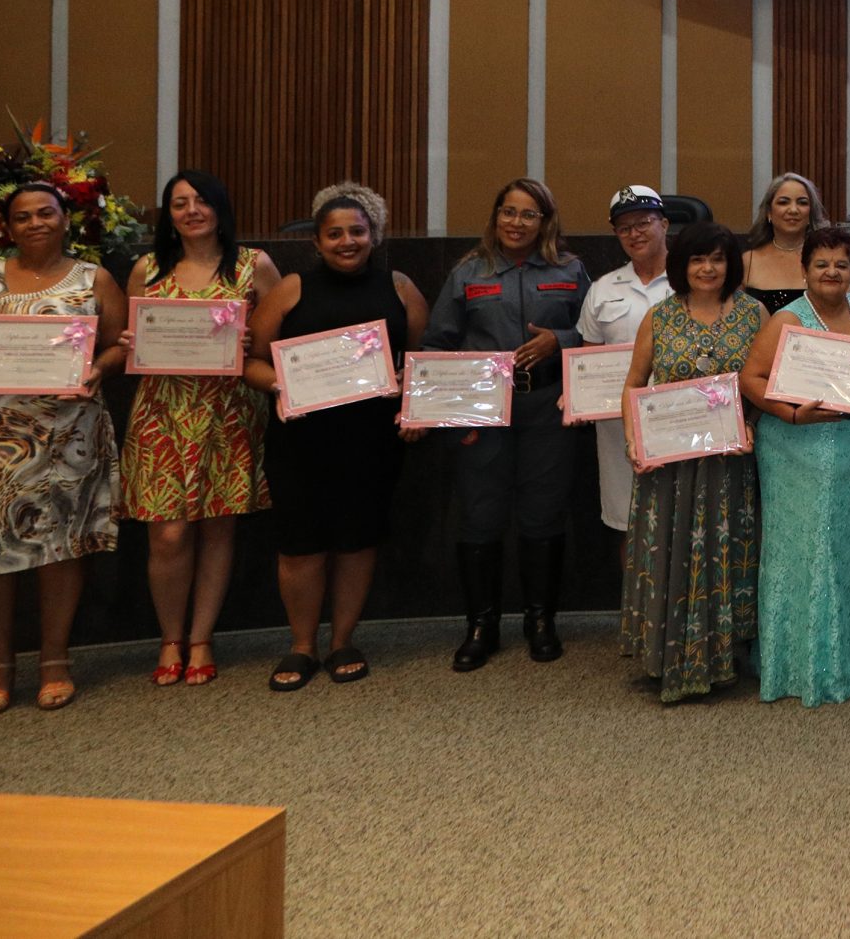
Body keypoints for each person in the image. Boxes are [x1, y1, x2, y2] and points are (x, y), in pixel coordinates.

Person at [0, 182, 129, 714]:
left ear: (67, 219)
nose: (36, 223)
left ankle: (54, 660)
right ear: (8, 227)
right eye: (23, 216)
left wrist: (99, 367)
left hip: (66, 436)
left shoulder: (95, 279)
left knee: (58, 547)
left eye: (47, 212)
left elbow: (118, 345)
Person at [244, 184, 427, 692]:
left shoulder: (401, 287)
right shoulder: (292, 288)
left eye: (357, 231)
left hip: (370, 442)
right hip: (302, 441)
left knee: (356, 541)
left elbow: (418, 364)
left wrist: (414, 409)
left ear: (374, 235)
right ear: (317, 242)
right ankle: (302, 645)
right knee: (300, 546)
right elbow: (252, 362)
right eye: (335, 234)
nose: (347, 241)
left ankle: (343, 639)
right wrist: (282, 383)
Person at [117, 170, 281, 688]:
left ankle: (201, 638)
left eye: (201, 201)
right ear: (168, 214)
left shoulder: (254, 265)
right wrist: (131, 342)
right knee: (167, 534)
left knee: (218, 527)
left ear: (220, 207)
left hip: (228, 413)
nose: (191, 210)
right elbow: (135, 337)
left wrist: (255, 339)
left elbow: (280, 338)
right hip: (161, 412)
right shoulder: (147, 268)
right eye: (179, 202)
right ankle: (170, 637)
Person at [420, 177, 591, 671]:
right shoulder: (469, 273)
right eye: (508, 212)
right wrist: (441, 412)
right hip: (482, 413)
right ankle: (481, 626)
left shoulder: (570, 270)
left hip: (546, 408)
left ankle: (541, 622)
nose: (517, 223)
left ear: (545, 222)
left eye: (528, 214)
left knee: (543, 514)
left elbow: (595, 333)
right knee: (480, 515)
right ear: (496, 218)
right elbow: (436, 345)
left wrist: (558, 339)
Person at [743, 224, 850, 705]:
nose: (832, 272)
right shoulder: (785, 319)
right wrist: (791, 414)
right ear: (805, 270)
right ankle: (804, 666)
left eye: (841, 264)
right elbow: (750, 378)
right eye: (822, 264)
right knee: (809, 552)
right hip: (798, 451)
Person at [619, 220, 761, 704]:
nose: (707, 268)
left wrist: (752, 427)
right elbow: (635, 383)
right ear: (682, 265)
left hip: (728, 465)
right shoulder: (659, 317)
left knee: (725, 554)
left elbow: (764, 382)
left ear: (730, 264)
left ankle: (724, 655)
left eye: (718, 259)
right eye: (698, 259)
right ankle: (668, 655)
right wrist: (634, 440)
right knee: (672, 553)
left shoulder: (753, 313)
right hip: (671, 467)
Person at [574, 184, 674, 544]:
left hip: (681, 414)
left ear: (664, 224)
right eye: (624, 228)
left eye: (643, 223)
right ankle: (634, 602)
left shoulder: (693, 281)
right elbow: (587, 362)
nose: (634, 234)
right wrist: (577, 399)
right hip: (620, 425)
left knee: (681, 518)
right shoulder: (602, 289)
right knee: (627, 520)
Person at [741, 172, 825, 314]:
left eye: (802, 203)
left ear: (811, 213)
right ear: (769, 212)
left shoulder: (827, 258)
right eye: (783, 202)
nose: (793, 210)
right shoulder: (747, 261)